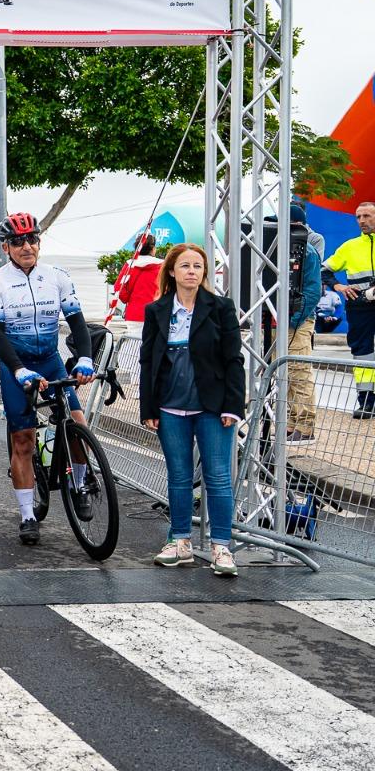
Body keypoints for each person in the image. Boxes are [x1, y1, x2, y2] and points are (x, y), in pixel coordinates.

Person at [0, 211, 97, 546]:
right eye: (18, 241)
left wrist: (86, 358)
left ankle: (81, 484)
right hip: (14, 362)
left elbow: (77, 322)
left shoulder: (56, 276)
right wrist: (17, 369)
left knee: (77, 422)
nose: (27, 246)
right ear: (6, 247)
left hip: (49, 359)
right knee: (24, 440)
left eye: (32, 239)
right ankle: (28, 515)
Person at [140, 243, 244, 577]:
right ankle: (180, 542)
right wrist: (148, 406)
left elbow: (233, 360)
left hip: (212, 407)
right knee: (179, 476)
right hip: (170, 407)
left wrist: (233, 406)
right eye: (184, 266)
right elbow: (148, 361)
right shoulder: (157, 311)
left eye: (198, 266)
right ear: (171, 271)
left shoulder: (220, 308)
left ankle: (221, 547)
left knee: (218, 477)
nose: (192, 272)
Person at [321, 201, 375, 418]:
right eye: (359, 217)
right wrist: (339, 286)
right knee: (362, 353)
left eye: (367, 216)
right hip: (360, 308)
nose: (362, 221)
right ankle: (366, 402)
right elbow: (324, 270)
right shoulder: (349, 247)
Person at [279, 202, 323, 443]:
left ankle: (305, 426)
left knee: (298, 371)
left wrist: (294, 320)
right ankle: (292, 422)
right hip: (284, 320)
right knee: (286, 373)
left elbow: (312, 291)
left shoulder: (308, 252)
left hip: (297, 320)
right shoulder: (283, 249)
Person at [105, 232, 163, 324]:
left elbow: (119, 288)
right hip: (157, 313)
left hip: (134, 314)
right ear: (152, 249)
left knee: (133, 338)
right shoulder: (162, 265)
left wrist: (127, 299)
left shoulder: (130, 264)